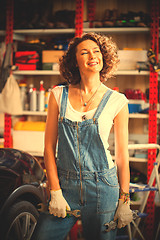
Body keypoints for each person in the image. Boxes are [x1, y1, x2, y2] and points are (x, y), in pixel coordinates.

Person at [32, 32, 133, 240]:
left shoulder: (117, 101)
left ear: (104, 57)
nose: (92, 56)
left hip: (103, 187)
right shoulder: (58, 95)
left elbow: (122, 156)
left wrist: (124, 201)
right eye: (84, 52)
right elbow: (49, 149)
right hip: (65, 185)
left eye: (96, 51)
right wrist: (55, 191)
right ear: (75, 62)